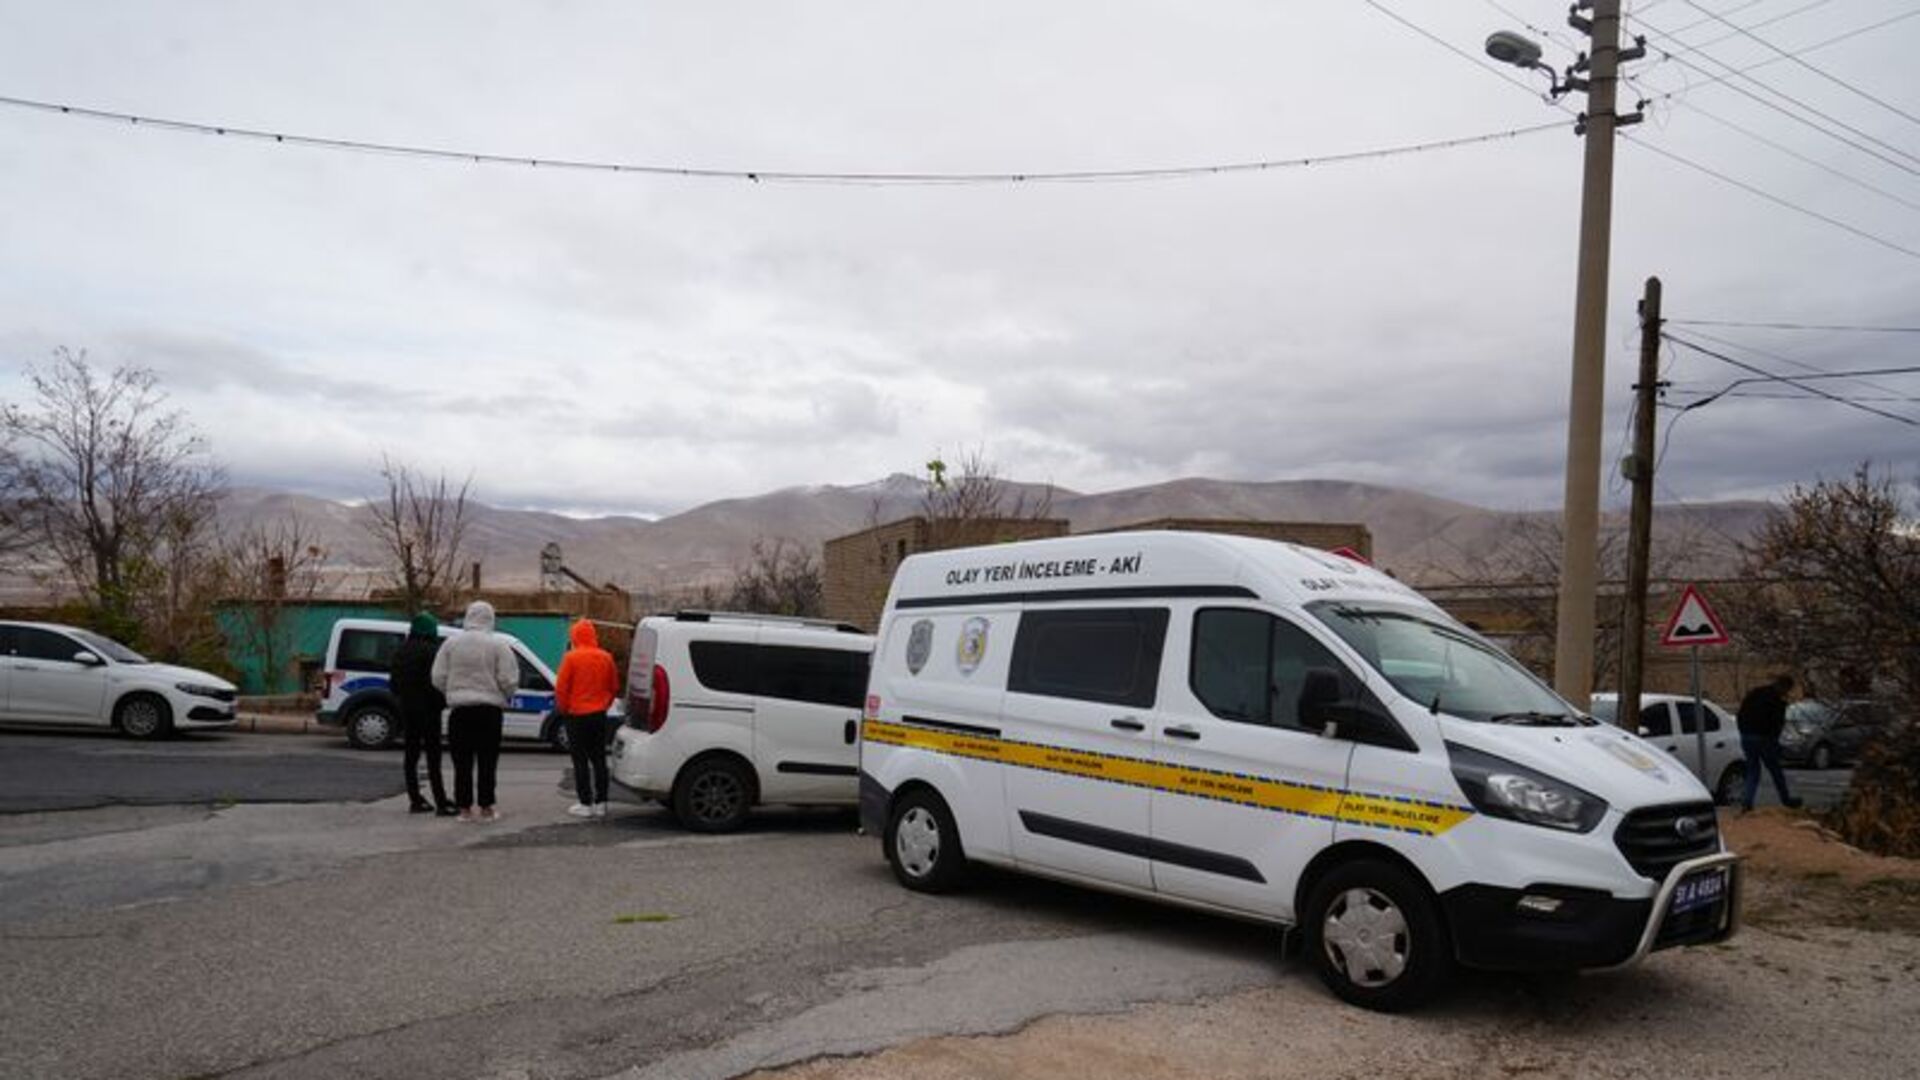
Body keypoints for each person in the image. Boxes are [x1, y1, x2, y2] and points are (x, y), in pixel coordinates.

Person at [431, 600, 520, 823]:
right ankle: (487, 807)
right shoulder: (498, 645)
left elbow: (438, 677)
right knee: (487, 762)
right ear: (490, 618)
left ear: (468, 617)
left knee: (462, 762)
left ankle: (464, 809)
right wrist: (504, 692)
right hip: (489, 712)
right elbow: (508, 679)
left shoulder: (451, 644)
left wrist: (453, 690)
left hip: (460, 711)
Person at [390, 612, 455, 816]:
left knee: (411, 755)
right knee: (433, 757)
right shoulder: (433, 652)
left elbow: (394, 684)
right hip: (429, 711)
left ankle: (415, 799)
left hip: (407, 709)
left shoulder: (400, 651)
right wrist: (441, 703)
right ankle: (441, 802)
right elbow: (438, 682)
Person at [555, 619, 621, 819]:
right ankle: (602, 803)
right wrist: (604, 704)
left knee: (580, 760)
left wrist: (566, 710)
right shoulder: (606, 658)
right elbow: (613, 687)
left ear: (575, 637)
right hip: (599, 715)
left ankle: (586, 803)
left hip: (576, 716)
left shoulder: (571, 658)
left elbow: (562, 689)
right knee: (599, 759)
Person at [1736, 673, 1803, 812]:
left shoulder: (1756, 693)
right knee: (1775, 770)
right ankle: (1786, 799)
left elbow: (1741, 713)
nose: (1787, 692)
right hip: (1765, 738)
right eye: (1787, 689)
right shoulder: (1777, 701)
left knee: (1753, 770)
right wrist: (1774, 741)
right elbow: (1777, 724)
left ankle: (1747, 801)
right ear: (1784, 687)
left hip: (1747, 736)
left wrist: (1743, 731)